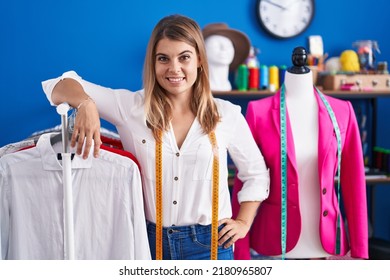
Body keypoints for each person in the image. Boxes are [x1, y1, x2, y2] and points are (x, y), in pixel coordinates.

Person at [41, 14, 270, 260]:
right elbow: (57, 85)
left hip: (211, 245)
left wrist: (244, 222)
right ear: (153, 63)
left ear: (200, 60)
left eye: (184, 57)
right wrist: (86, 103)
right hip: (147, 243)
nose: (174, 69)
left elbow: (256, 174)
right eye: (163, 59)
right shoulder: (130, 108)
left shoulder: (227, 114)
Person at [232, 47, 368, 260]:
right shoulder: (258, 112)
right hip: (274, 239)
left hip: (327, 238)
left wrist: (360, 251)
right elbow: (244, 183)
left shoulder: (343, 111)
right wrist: (240, 253)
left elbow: (355, 183)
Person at [202, 23, 250, 91]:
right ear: (203, 51)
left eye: (228, 46)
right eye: (215, 45)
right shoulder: (200, 86)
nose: (224, 49)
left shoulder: (227, 86)